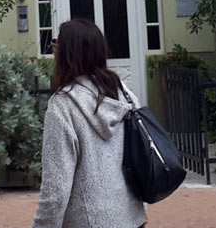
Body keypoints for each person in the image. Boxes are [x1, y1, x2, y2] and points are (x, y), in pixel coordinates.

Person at [32, 18, 146, 228]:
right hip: (132, 217)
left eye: (57, 45)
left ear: (67, 54)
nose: (53, 51)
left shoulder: (62, 105)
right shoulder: (123, 93)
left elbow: (55, 191)